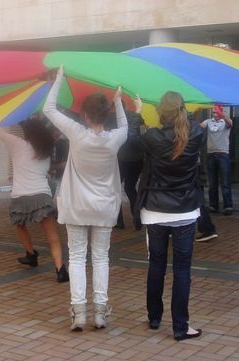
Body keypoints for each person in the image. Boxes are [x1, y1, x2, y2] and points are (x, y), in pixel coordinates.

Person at [43, 66, 128, 331]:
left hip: (76, 205)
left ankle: (78, 313)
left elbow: (49, 109)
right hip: (104, 207)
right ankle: (100, 313)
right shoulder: (116, 138)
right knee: (101, 258)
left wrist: (58, 79)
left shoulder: (76, 133)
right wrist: (118, 101)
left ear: (84, 114)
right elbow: (124, 125)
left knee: (77, 257)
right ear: (107, 114)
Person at [135, 92, 205, 341]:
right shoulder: (196, 133)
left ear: (160, 113)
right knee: (182, 270)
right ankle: (180, 326)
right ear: (182, 109)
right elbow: (192, 126)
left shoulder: (152, 137)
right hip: (185, 209)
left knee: (156, 265)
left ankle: (154, 318)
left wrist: (137, 112)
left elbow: (132, 143)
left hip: (155, 209)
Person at [0, 107, 69, 282]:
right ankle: (60, 270)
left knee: (20, 225)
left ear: (28, 133)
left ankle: (31, 254)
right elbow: (45, 171)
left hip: (20, 195)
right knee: (52, 236)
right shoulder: (45, 151)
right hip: (42, 196)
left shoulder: (18, 144)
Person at [109, 98, 145, 230]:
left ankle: (118, 221)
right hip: (137, 158)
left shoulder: (112, 118)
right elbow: (142, 130)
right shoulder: (135, 117)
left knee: (115, 189)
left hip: (121, 159)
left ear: (115, 108)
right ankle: (137, 219)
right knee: (130, 188)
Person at [201, 105, 233, 215]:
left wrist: (222, 115)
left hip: (223, 154)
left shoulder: (225, 121)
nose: (215, 114)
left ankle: (228, 206)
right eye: (213, 112)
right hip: (211, 155)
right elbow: (201, 126)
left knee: (225, 182)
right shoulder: (208, 121)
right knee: (212, 182)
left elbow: (230, 124)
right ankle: (213, 205)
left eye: (216, 112)